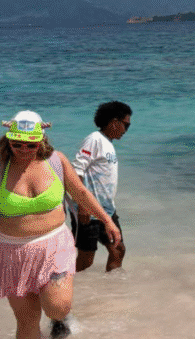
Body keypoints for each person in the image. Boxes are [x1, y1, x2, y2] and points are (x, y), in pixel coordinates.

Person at [0, 110, 121, 339]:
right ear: (8, 140)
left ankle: (60, 320)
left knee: (57, 307)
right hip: (12, 253)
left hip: (54, 246)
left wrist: (107, 219)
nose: (23, 150)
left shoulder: (56, 161)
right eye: (17, 144)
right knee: (27, 321)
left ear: (41, 140)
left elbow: (80, 192)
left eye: (30, 145)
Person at [70, 101, 131, 273]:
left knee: (118, 250)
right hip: (88, 210)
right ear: (114, 122)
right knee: (86, 259)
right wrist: (82, 205)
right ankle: (56, 284)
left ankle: (112, 291)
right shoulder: (94, 140)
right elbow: (76, 170)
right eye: (126, 125)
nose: (126, 130)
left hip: (107, 211)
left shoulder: (107, 144)